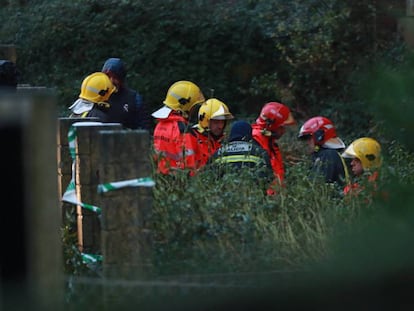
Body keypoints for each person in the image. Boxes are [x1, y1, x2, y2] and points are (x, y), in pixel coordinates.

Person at [151, 80, 205, 175]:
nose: (194, 111)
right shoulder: (182, 130)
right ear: (185, 105)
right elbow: (190, 165)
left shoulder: (160, 124)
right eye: (194, 107)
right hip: (180, 181)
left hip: (163, 179)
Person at [208, 120, 273, 189]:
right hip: (251, 194)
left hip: (225, 195)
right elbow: (268, 176)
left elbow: (209, 177)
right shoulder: (259, 151)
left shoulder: (219, 152)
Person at [251, 102, 296, 195]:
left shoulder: (270, 142)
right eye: (281, 127)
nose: (284, 131)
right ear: (272, 125)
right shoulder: (255, 139)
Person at [297, 116, 349, 187]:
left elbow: (316, 187)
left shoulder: (328, 155)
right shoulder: (327, 154)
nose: (306, 142)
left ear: (319, 136)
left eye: (308, 138)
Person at [101, 57, 151, 130]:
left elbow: (143, 130)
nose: (111, 81)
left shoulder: (134, 99)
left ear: (121, 79)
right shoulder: (96, 97)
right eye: (108, 76)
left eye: (115, 77)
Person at [186, 98, 234, 172]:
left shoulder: (224, 140)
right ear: (205, 121)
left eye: (222, 122)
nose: (220, 126)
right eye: (216, 122)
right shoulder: (191, 137)